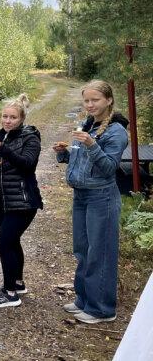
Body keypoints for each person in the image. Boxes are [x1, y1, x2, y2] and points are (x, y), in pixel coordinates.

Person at [54, 80, 128, 324]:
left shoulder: (116, 131)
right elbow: (82, 161)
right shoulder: (88, 124)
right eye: (86, 100)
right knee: (82, 250)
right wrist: (65, 153)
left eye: (95, 100)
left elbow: (108, 167)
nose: (90, 104)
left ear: (108, 100)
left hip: (102, 197)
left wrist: (91, 144)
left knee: (100, 253)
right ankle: (84, 300)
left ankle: (102, 309)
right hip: (81, 195)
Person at [0, 94, 42, 308]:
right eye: (5, 116)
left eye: (13, 117)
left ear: (22, 118)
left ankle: (9, 294)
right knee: (12, 241)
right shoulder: (2, 135)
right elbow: (6, 170)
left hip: (23, 201)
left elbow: (27, 165)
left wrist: (1, 149)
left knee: (4, 242)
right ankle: (17, 282)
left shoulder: (30, 137)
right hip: (2, 199)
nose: (7, 121)